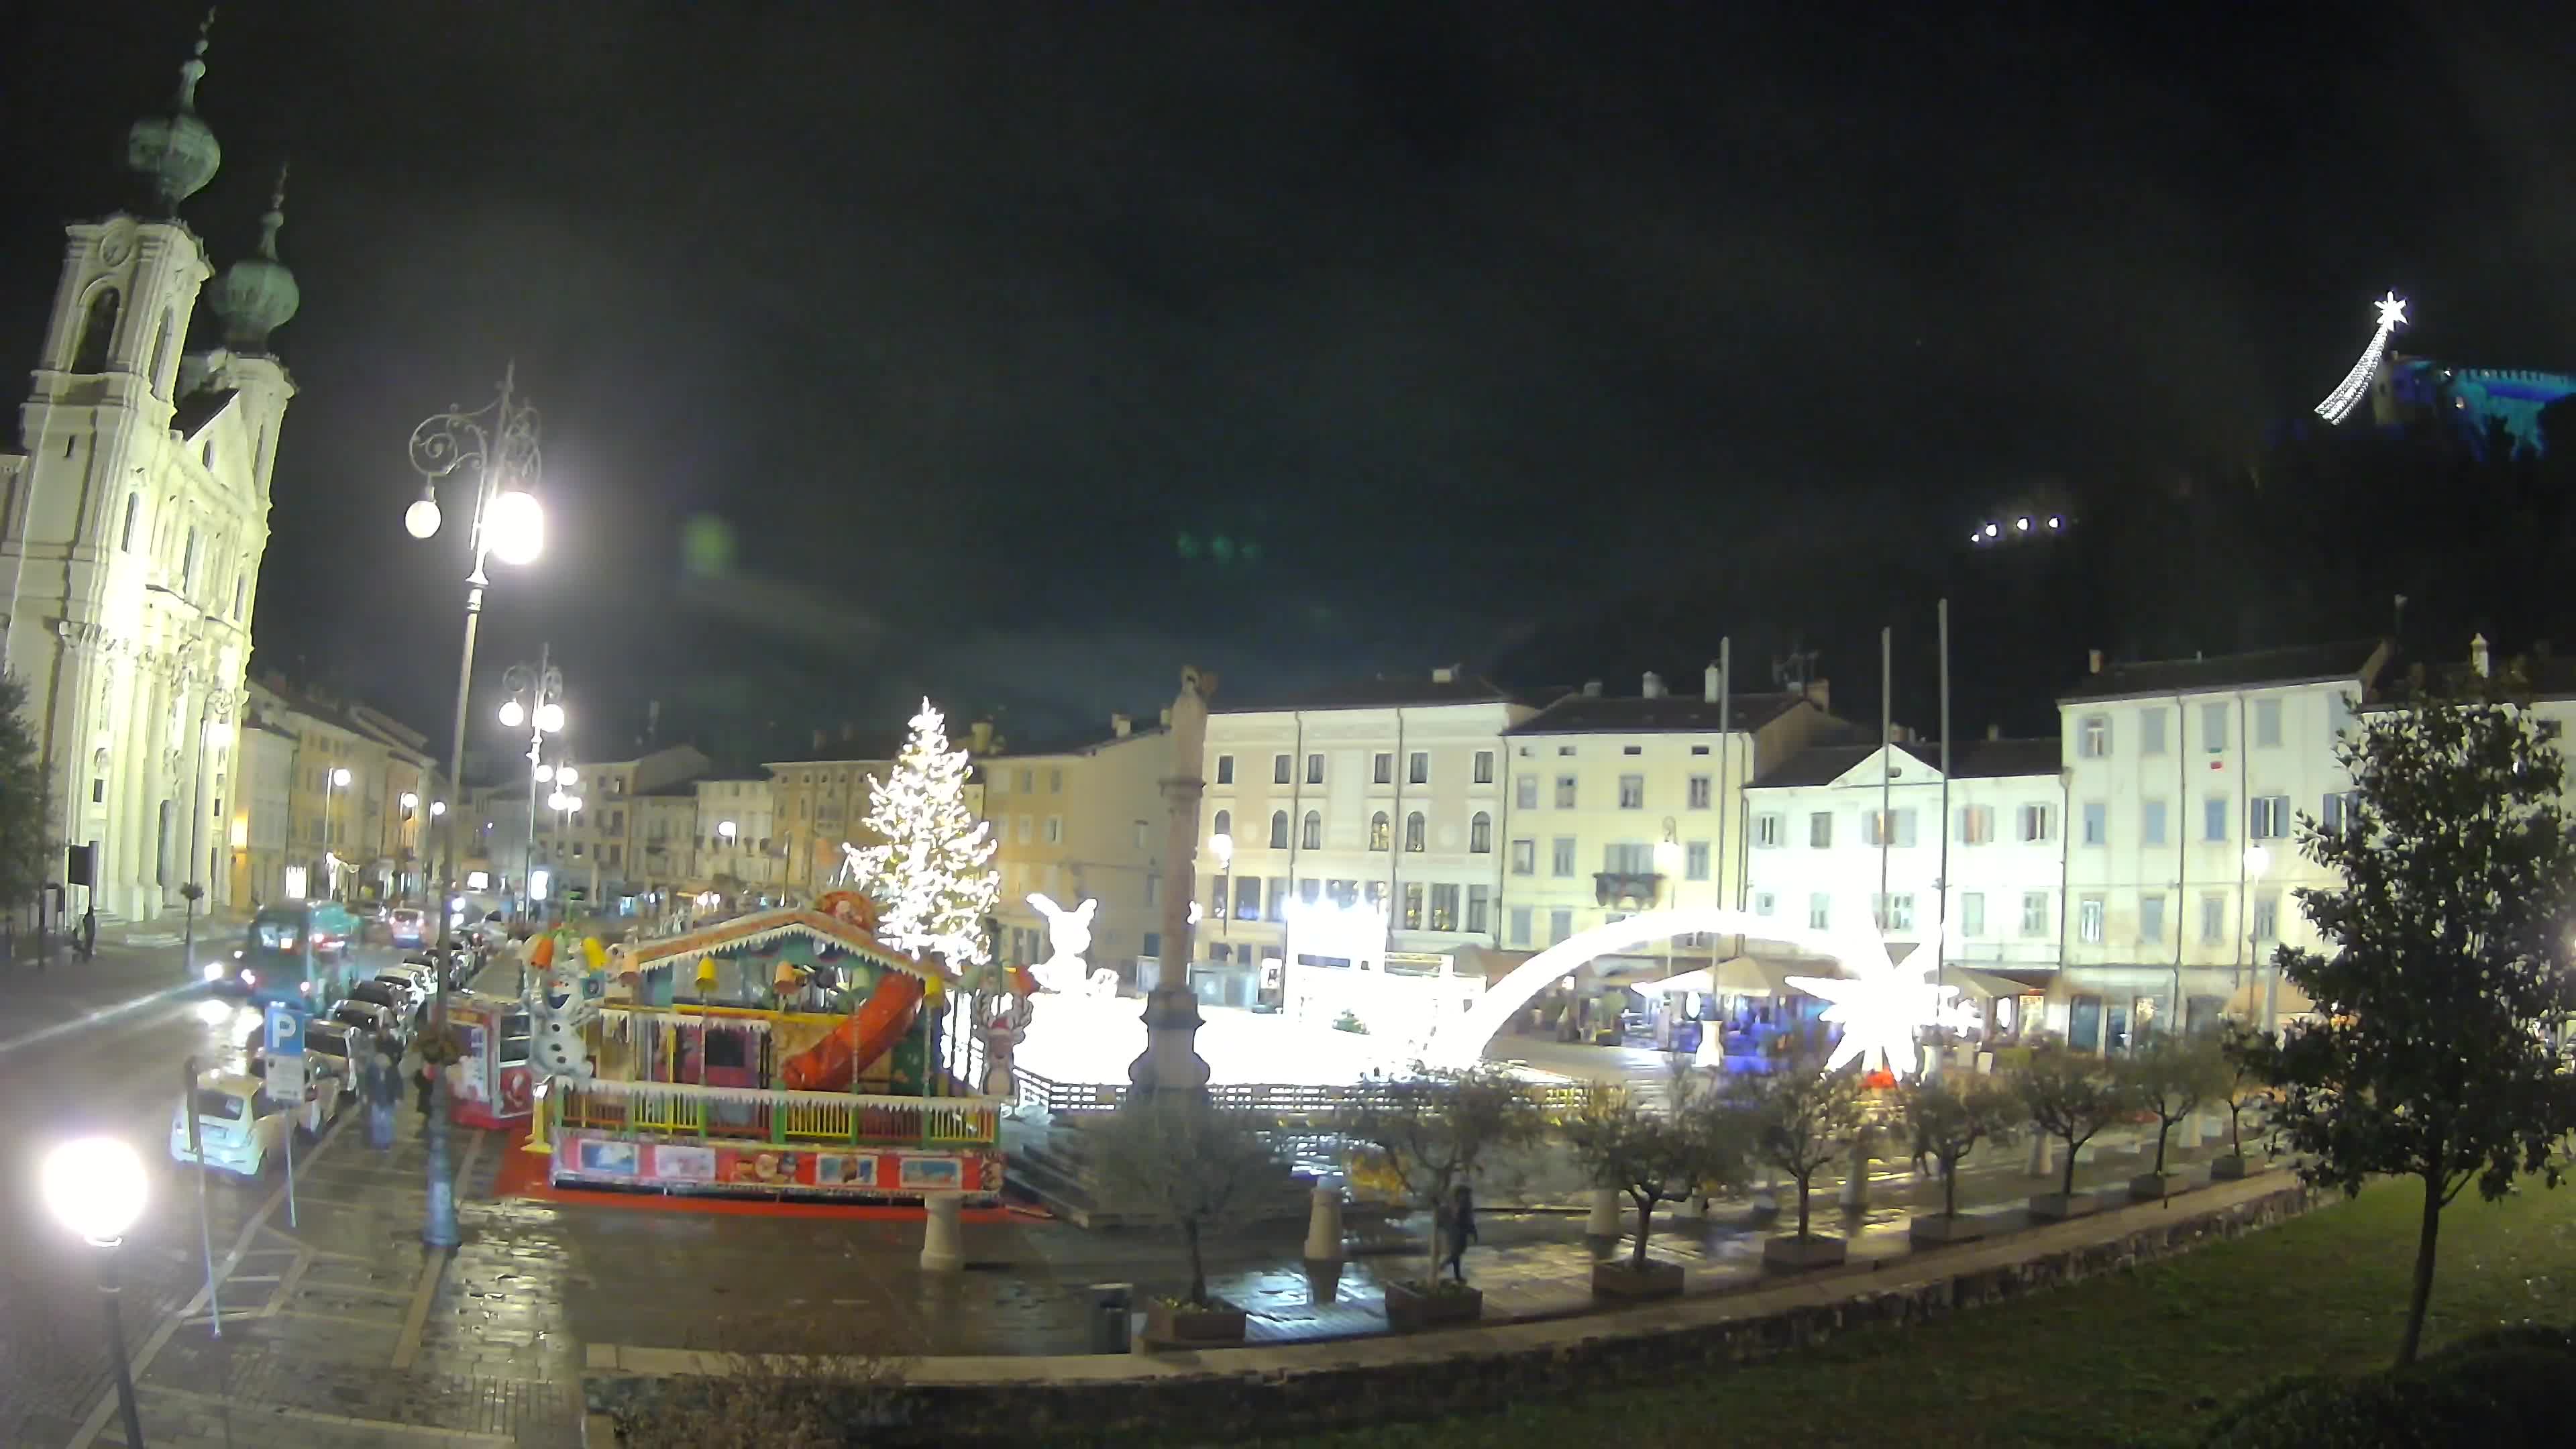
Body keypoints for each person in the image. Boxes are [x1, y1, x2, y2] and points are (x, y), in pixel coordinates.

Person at [1441, 1183, 1477, 1282]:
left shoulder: (1458, 1203)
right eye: (1467, 1194)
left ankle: (1457, 1276)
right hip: (1459, 1232)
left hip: (1456, 1232)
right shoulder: (1463, 1204)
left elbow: (1467, 1219)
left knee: (1456, 1254)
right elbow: (1467, 1220)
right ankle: (1442, 1266)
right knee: (1457, 1253)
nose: (1469, 1196)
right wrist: (1473, 1231)